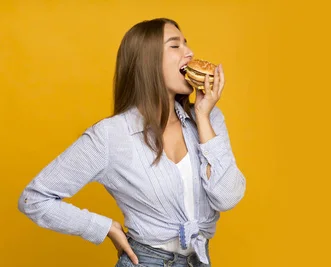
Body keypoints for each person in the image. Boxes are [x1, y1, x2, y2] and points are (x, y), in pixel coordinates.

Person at [17, 18, 246, 267]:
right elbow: (34, 198)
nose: (189, 52)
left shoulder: (208, 119)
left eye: (187, 44)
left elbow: (228, 197)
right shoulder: (112, 135)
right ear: (148, 61)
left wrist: (202, 115)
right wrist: (103, 228)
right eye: (175, 45)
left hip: (199, 261)